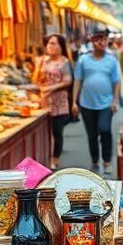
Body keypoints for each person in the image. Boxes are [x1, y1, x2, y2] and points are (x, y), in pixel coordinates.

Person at [72, 25, 121, 177]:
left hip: (106, 103)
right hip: (87, 103)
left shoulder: (112, 60)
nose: (102, 42)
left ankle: (106, 161)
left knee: (105, 129)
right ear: (92, 40)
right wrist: (74, 101)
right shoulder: (83, 59)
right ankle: (95, 160)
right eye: (98, 39)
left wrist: (115, 100)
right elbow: (78, 80)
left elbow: (116, 81)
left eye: (104, 39)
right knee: (92, 134)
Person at [33, 34, 73, 170]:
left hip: (59, 101)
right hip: (44, 100)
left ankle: (55, 159)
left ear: (61, 46)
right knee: (44, 131)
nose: (51, 46)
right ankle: (44, 158)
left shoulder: (64, 62)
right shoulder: (43, 61)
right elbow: (35, 80)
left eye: (55, 43)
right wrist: (38, 66)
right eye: (50, 43)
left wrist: (52, 87)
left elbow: (68, 81)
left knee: (57, 131)